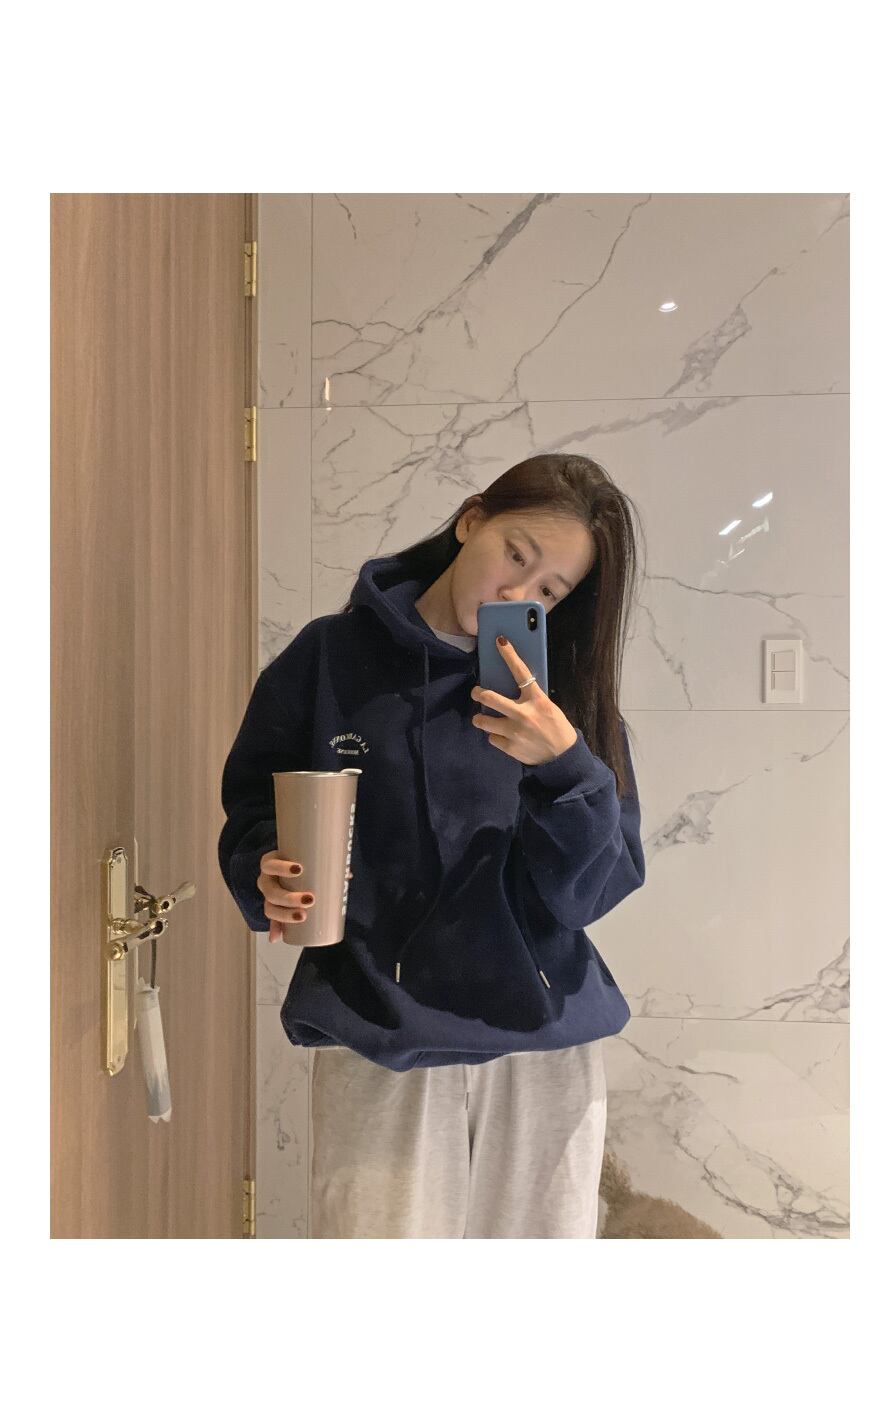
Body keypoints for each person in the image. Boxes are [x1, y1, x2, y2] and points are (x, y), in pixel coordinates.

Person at [218, 452, 646, 1238]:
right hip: (380, 1034)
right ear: (472, 518)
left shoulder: (563, 696)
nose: (518, 595)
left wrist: (566, 767)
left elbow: (591, 891)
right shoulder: (331, 657)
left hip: (542, 1046)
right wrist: (262, 869)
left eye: (550, 590)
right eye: (515, 554)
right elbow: (253, 803)